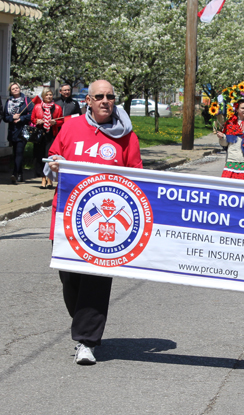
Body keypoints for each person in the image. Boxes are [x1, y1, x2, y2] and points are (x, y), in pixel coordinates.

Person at [48, 80, 142, 365]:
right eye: (99, 96)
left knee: (96, 281)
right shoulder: (71, 126)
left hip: (106, 224)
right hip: (67, 217)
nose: (105, 100)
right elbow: (51, 160)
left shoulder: (127, 136)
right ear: (87, 100)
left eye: (110, 96)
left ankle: (86, 341)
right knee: (69, 277)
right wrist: (52, 166)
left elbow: (139, 178)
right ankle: (83, 320)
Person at [31, 87, 63, 189]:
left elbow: (61, 120)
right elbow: (32, 119)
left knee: (49, 156)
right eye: (47, 95)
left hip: (52, 134)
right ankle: (43, 178)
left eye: (50, 95)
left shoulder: (57, 108)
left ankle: (50, 179)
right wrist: (37, 121)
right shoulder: (37, 107)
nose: (49, 97)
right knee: (40, 156)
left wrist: (55, 122)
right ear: (43, 96)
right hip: (41, 134)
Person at [3, 82, 33, 184]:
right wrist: (12, 118)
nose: (15, 90)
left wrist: (21, 118)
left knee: (19, 152)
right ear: (10, 91)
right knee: (16, 153)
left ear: (19, 89)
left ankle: (15, 173)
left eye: (16, 88)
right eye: (13, 89)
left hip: (23, 130)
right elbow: (5, 117)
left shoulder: (26, 100)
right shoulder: (9, 101)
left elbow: (32, 114)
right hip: (12, 131)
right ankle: (20, 174)